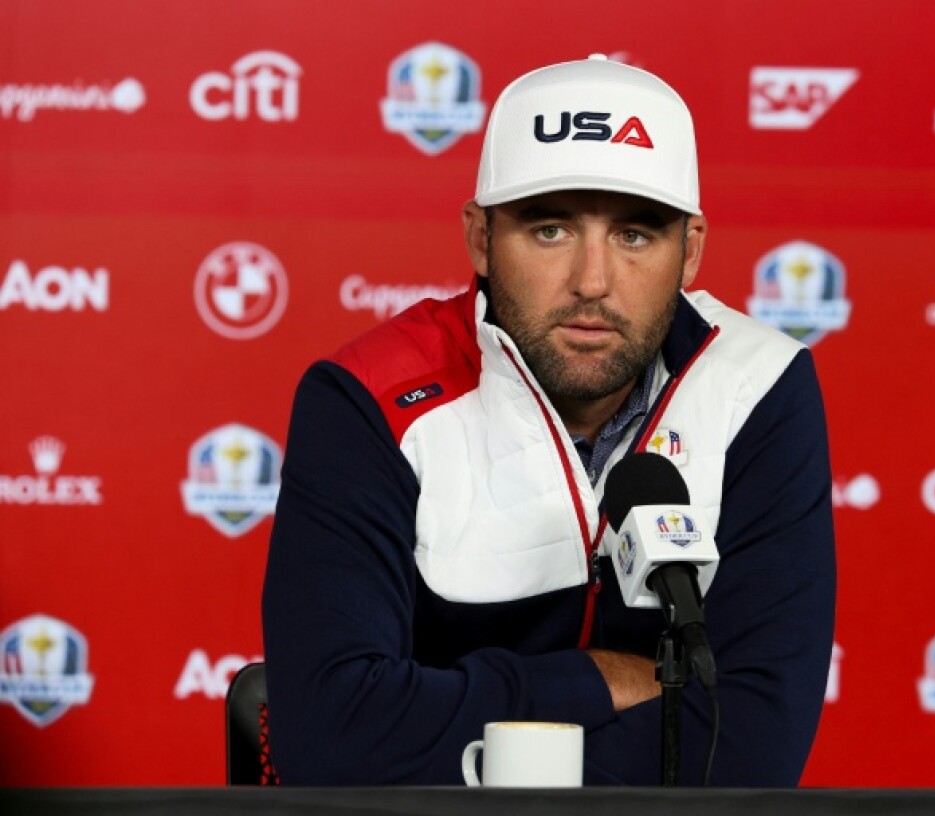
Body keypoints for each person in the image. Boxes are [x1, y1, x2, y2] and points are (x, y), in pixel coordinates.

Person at [262, 54, 836, 786]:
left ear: (690, 252)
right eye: (550, 230)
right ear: (480, 238)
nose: (592, 282)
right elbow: (330, 737)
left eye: (634, 235)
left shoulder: (758, 388)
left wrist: (466, 738)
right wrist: (592, 681)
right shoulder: (368, 398)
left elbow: (750, 749)